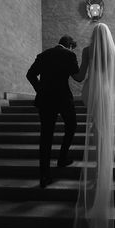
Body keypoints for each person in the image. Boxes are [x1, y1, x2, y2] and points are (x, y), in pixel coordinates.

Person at [72, 23, 115, 228]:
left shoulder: (87, 51)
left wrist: (70, 67)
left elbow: (80, 76)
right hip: (106, 92)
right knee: (103, 129)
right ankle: (102, 169)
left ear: (94, 34)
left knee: (95, 128)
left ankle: (98, 167)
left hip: (91, 91)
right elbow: (112, 79)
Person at [26, 35, 79, 188]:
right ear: (69, 45)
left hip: (45, 100)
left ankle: (44, 176)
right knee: (72, 126)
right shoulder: (69, 55)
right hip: (63, 99)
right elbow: (77, 76)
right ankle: (62, 158)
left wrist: (40, 89)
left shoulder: (43, 55)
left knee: (46, 137)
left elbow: (30, 74)